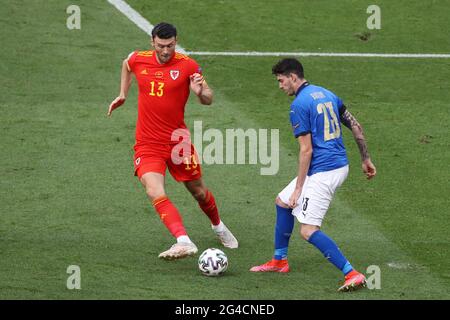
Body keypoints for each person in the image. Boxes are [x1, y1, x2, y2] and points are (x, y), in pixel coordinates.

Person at [107, 22, 238, 260]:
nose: (165, 51)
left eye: (170, 45)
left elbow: (209, 98)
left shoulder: (188, 66)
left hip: (178, 143)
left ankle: (218, 226)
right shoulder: (139, 59)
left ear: (176, 41)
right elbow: (126, 64)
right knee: (154, 190)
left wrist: (200, 93)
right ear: (152, 43)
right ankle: (183, 240)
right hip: (147, 144)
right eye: (160, 46)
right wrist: (123, 94)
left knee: (198, 191)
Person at [250, 58, 376, 292]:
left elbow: (306, 150)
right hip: (335, 165)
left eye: (281, 81)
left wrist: (299, 188)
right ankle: (279, 261)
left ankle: (352, 273)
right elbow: (356, 126)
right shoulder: (327, 94)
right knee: (282, 202)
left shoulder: (299, 105)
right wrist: (365, 158)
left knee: (308, 230)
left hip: (325, 171)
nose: (280, 86)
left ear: (293, 77)